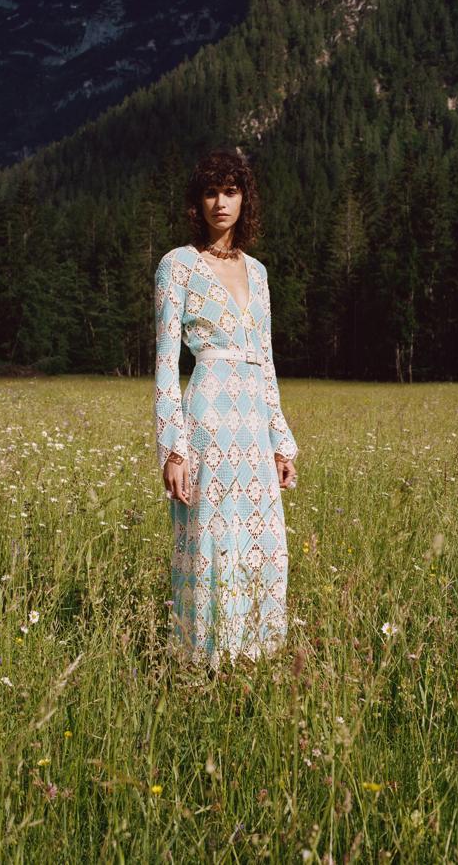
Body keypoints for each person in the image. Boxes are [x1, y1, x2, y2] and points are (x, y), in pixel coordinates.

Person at [154, 147, 298, 673]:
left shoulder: (257, 273)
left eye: (231, 191)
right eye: (211, 191)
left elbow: (267, 359)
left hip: (253, 424)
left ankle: (255, 655)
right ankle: (206, 660)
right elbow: (167, 362)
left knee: (262, 536)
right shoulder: (177, 265)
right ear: (198, 200)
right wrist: (173, 447)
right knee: (211, 536)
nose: (221, 202)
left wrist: (281, 438)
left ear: (244, 199)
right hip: (208, 414)